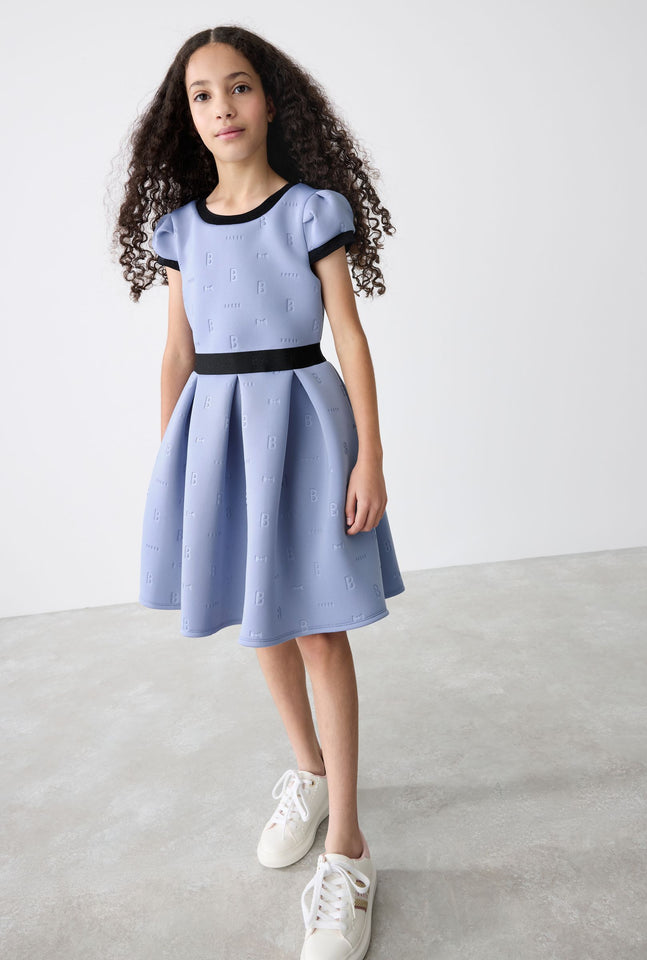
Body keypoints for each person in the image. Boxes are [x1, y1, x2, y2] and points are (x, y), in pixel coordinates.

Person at [112, 23, 404, 960]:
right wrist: (175, 462)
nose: (222, 107)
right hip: (218, 437)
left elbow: (348, 336)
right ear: (186, 117)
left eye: (238, 87)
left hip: (305, 430)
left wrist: (370, 457)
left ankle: (349, 846)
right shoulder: (180, 230)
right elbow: (179, 351)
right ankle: (307, 771)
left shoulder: (310, 211)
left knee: (318, 626)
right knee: (261, 616)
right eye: (202, 95)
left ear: (271, 101)